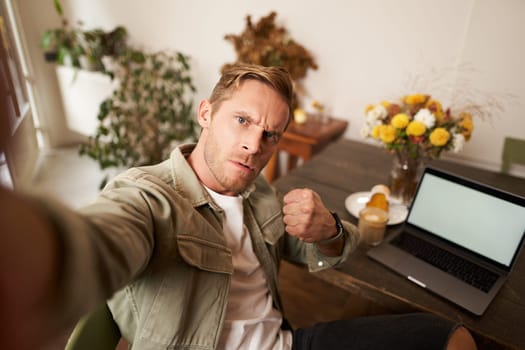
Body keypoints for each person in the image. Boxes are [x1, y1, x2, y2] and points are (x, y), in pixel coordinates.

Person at [0, 63, 477, 350]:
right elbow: (100, 241)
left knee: (449, 337)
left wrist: (328, 227)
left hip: (285, 343)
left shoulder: (259, 191)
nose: (254, 145)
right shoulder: (148, 196)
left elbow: (332, 249)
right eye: (242, 121)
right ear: (206, 114)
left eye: (270, 134)